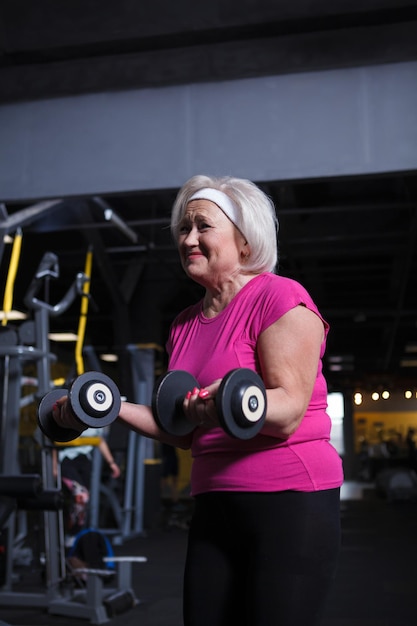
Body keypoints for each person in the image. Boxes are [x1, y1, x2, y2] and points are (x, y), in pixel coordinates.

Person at [53, 175, 344, 626]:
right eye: (184, 228)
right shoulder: (185, 324)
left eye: (203, 226)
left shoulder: (279, 297)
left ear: (244, 240)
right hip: (215, 503)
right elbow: (181, 429)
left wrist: (221, 404)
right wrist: (104, 406)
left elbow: (286, 410)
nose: (188, 238)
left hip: (290, 500)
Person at [53, 427, 121, 541]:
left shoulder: (93, 420)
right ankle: (72, 536)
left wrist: (111, 463)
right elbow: (52, 439)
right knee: (82, 495)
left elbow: (100, 440)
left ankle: (74, 537)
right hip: (66, 460)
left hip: (84, 460)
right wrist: (54, 466)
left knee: (83, 501)